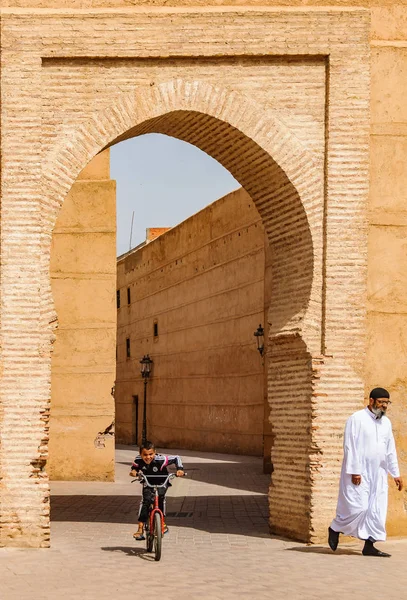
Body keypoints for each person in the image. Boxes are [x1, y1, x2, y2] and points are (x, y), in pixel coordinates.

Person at [328, 387, 403, 557]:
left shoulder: (386, 422)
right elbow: (350, 446)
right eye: (381, 402)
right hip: (359, 472)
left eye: (386, 402)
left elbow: (390, 449)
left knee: (377, 509)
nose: (384, 405)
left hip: (379, 473)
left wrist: (395, 473)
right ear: (371, 401)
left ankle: (370, 545)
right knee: (358, 507)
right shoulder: (357, 419)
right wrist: (355, 471)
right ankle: (335, 528)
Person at [129, 440, 184, 540]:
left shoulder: (161, 459)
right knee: (146, 501)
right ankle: (140, 528)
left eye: (151, 454)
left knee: (161, 499)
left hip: (162, 482)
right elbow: (134, 468)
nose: (148, 457)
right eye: (145, 455)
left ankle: (162, 522)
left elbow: (177, 458)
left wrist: (179, 469)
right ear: (140, 454)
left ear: (155, 452)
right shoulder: (138, 460)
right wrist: (133, 472)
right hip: (148, 482)